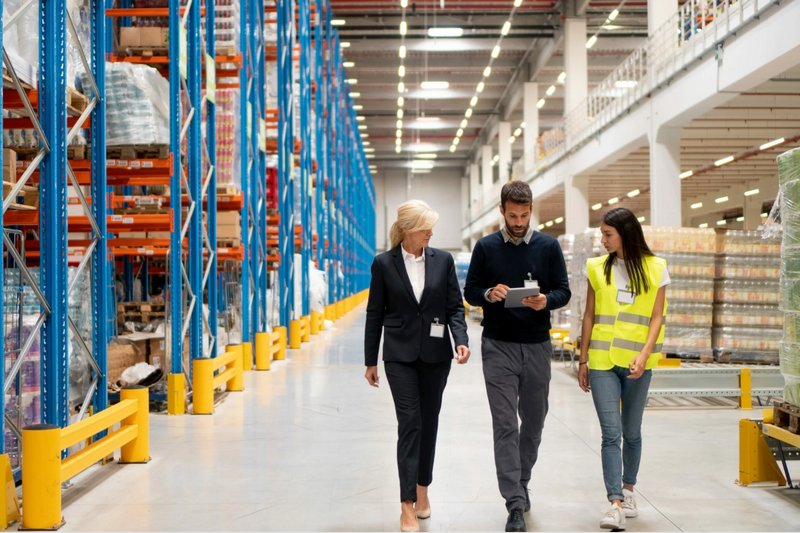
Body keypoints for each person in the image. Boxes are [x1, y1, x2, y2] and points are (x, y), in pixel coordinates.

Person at [464, 181, 571, 533]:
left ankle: (522, 482)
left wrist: (546, 301)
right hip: (498, 345)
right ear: (502, 211)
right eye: (513, 215)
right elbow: (470, 291)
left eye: (525, 215)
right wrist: (488, 293)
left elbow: (563, 291)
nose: (519, 221)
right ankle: (513, 502)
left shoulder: (548, 246)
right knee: (506, 424)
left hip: (538, 344)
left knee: (535, 421)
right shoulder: (485, 247)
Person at [364, 199, 471, 533]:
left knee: (428, 423)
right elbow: (374, 312)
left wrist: (461, 339)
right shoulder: (383, 264)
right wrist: (370, 360)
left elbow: (455, 306)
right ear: (409, 229)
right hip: (399, 355)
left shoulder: (444, 260)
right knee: (409, 423)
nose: (431, 232)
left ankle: (423, 489)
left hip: (437, 355)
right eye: (425, 227)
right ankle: (406, 505)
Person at [577, 207, 669, 531]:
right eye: (601, 234)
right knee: (610, 434)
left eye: (607, 234)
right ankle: (614, 501)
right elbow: (589, 315)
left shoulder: (656, 268)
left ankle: (629, 489)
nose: (601, 240)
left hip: (637, 364)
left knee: (632, 432)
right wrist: (583, 358)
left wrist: (645, 355)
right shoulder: (596, 268)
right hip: (602, 361)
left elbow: (657, 317)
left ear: (625, 233)